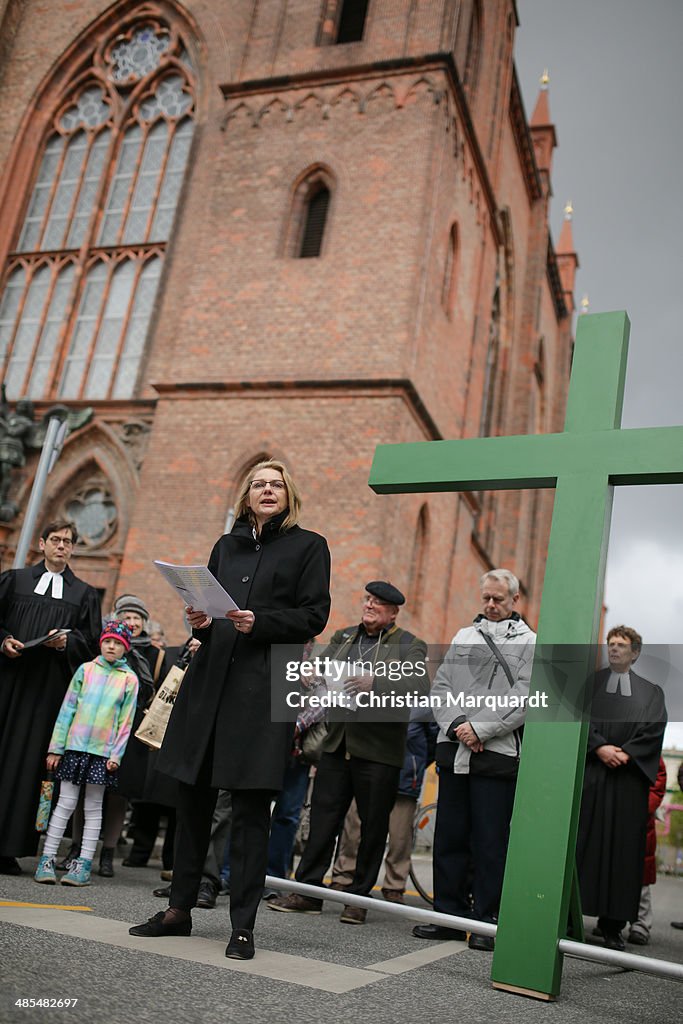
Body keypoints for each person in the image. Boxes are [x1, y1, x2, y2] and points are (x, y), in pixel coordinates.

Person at [130, 459, 331, 960]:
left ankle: (242, 926)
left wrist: (258, 622)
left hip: (264, 688)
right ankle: (179, 910)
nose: (267, 490)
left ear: (289, 494)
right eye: (259, 484)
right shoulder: (227, 546)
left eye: (276, 484)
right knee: (192, 800)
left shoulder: (310, 546)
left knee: (248, 814)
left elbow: (315, 615)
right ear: (247, 496)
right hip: (210, 683)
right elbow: (209, 614)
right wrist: (198, 620)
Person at [269, 580, 428, 924]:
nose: (369, 606)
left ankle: (358, 898)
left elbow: (418, 687)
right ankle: (308, 892)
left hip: (379, 750)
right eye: (367, 599)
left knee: (372, 828)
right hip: (337, 745)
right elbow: (324, 670)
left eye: (378, 603)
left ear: (393, 612)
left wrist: (378, 682)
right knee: (322, 823)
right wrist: (311, 673)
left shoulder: (409, 645)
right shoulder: (343, 637)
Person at [413, 569, 536, 950]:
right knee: (449, 837)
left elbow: (525, 695)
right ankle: (448, 916)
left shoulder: (530, 642)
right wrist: (458, 725)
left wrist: (481, 729)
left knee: (489, 841)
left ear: (515, 601)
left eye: (498, 599)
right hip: (455, 751)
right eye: (486, 597)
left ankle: (486, 921)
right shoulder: (465, 636)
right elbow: (442, 687)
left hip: (496, 754)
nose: (490, 605)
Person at [0, 520, 101, 874]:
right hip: (7, 683)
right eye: (55, 540)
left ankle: (9, 848)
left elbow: (92, 644)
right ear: (41, 544)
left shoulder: (85, 594)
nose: (61, 546)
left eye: (68, 542)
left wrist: (67, 643)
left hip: (47, 695)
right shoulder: (14, 581)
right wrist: (3, 641)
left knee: (28, 768)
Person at [576, 625, 667, 950]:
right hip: (592, 776)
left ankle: (612, 927)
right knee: (582, 845)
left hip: (628, 782)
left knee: (622, 853)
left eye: (621, 645)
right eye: (610, 644)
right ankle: (571, 918)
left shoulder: (651, 691)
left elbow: (654, 727)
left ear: (635, 652)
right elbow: (578, 719)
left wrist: (627, 753)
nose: (614, 649)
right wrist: (599, 747)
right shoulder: (591, 684)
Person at [34, 620, 139, 886]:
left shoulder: (129, 679)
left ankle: (83, 864)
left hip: (103, 755)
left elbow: (125, 722)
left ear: (125, 648)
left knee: (93, 807)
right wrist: (56, 748)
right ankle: (47, 858)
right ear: (101, 642)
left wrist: (116, 755)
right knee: (65, 804)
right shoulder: (85, 670)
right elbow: (67, 709)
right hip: (74, 748)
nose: (112, 646)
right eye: (108, 641)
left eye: (118, 643)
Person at [331, 716, 438, 903]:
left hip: (405, 776)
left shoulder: (422, 701)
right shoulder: (372, 691)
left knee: (400, 836)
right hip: (367, 769)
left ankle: (394, 885)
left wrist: (416, 765)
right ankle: (343, 875)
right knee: (354, 827)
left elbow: (432, 740)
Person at [628, 756, 667, 946]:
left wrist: (642, 807)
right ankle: (610, 917)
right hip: (619, 811)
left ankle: (641, 923)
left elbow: (658, 782)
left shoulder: (651, 751)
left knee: (641, 878)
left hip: (641, 819)